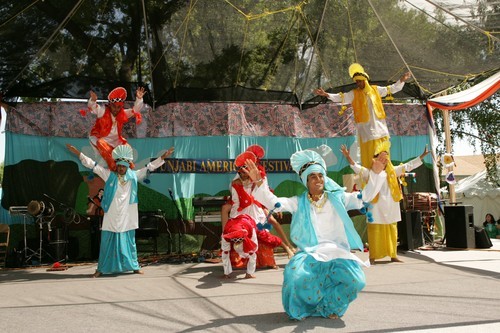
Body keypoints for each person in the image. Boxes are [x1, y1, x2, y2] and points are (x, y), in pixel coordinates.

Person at [242, 148, 387, 321]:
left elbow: (365, 197)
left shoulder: (339, 198)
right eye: (313, 176)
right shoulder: (298, 202)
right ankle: (302, 308)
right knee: (294, 276)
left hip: (337, 251)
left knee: (357, 281)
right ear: (306, 181)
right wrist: (259, 182)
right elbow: (275, 203)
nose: (318, 179)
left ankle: (329, 305)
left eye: (320, 175)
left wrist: (376, 174)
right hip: (311, 251)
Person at [67, 143, 174, 277]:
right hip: (111, 214)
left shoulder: (134, 176)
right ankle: (101, 269)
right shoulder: (109, 175)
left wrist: (162, 157)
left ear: (128, 166)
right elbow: (94, 166)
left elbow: (149, 167)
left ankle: (134, 266)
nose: (121, 168)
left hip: (127, 214)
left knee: (130, 242)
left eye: (124, 166)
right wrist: (78, 153)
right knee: (107, 241)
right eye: (120, 166)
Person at [341, 142, 430, 264]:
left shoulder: (394, 171)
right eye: (381, 157)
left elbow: (409, 165)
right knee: (375, 229)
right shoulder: (370, 172)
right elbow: (356, 167)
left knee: (392, 229)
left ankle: (393, 255)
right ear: (377, 159)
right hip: (376, 205)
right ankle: (373, 257)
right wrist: (347, 156)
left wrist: (422, 156)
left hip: (391, 204)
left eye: (386, 157)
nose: (384, 160)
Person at [314, 64, 411, 169]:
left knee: (384, 161)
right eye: (356, 82)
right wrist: (327, 95)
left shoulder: (376, 90)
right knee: (369, 162)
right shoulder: (354, 93)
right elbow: (342, 97)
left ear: (365, 80)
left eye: (360, 81)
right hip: (366, 133)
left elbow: (391, 89)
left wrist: (402, 80)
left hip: (380, 131)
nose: (358, 83)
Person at [83, 86, 146, 171]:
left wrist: (139, 99)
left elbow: (135, 110)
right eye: (114, 106)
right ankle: (114, 168)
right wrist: (93, 100)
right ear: (110, 105)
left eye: (119, 107)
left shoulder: (123, 113)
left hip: (116, 140)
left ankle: (129, 169)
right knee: (101, 143)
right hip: (102, 139)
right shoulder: (103, 111)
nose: (116, 109)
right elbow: (93, 108)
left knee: (127, 148)